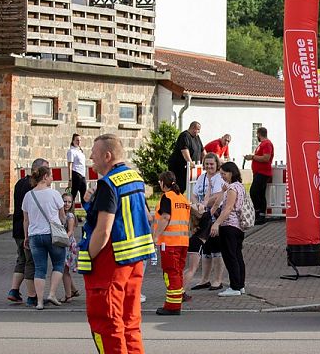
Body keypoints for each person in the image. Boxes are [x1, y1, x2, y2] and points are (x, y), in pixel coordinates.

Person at [78, 134, 155, 354]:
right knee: (130, 323)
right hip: (134, 261)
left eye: (94, 153)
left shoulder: (108, 183)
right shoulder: (135, 177)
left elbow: (103, 230)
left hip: (109, 264)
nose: (91, 158)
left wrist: (89, 255)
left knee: (107, 325)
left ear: (107, 155)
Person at [22, 164, 67, 310]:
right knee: (58, 263)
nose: (52, 179)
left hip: (35, 235)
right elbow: (62, 216)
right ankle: (52, 294)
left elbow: (26, 220)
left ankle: (39, 302)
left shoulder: (29, 195)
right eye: (51, 176)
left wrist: (26, 237)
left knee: (39, 268)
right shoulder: (54, 194)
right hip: (52, 234)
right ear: (45, 177)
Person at [8, 157, 46, 306]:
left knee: (21, 259)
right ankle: (32, 296)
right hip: (28, 229)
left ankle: (14, 290)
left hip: (17, 227)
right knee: (31, 262)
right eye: (45, 169)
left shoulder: (19, 183)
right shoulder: (34, 187)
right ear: (37, 170)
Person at [185, 153, 225, 293]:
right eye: (206, 164)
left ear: (216, 164)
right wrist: (198, 205)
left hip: (214, 217)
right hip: (202, 217)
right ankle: (204, 279)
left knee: (216, 250)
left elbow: (219, 196)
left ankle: (218, 280)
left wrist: (205, 203)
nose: (209, 166)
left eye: (211, 164)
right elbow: (194, 194)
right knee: (206, 250)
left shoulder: (220, 178)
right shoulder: (201, 177)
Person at [153, 171, 190, 315]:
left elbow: (165, 217)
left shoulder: (166, 197)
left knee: (171, 273)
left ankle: (173, 307)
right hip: (183, 242)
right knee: (178, 272)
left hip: (169, 243)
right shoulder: (182, 198)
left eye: (159, 181)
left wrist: (156, 236)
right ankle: (176, 301)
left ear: (163, 182)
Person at [210, 161, 246, 297]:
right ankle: (240, 285)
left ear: (231, 173)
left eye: (224, 174)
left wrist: (216, 223)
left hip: (229, 225)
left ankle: (235, 286)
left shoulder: (232, 189)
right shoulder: (240, 187)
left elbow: (228, 208)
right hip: (238, 227)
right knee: (237, 256)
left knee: (230, 256)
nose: (223, 177)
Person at [244, 126, 274, 225]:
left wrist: (252, 157)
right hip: (259, 172)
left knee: (254, 192)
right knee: (260, 194)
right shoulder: (263, 144)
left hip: (263, 173)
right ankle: (260, 215)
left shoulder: (266, 144)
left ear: (258, 134)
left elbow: (266, 158)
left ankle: (258, 212)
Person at [168, 121, 203, 194]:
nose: (198, 132)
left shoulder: (197, 137)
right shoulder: (185, 136)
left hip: (191, 168)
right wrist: (190, 162)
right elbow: (184, 150)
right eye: (197, 129)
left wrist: (207, 159)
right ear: (193, 128)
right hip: (179, 167)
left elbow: (202, 150)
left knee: (191, 187)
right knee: (180, 186)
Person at [61, 191, 81, 302]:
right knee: (65, 269)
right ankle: (74, 290)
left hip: (68, 245)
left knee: (64, 270)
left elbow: (70, 231)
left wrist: (61, 238)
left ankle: (68, 296)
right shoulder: (61, 214)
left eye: (69, 202)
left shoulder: (70, 215)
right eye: (65, 201)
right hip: (65, 243)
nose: (67, 204)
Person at [67, 133, 87, 203]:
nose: (79, 142)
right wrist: (70, 179)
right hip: (76, 174)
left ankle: (88, 212)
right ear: (73, 141)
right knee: (73, 195)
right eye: (77, 140)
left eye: (80, 140)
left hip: (82, 175)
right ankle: (69, 211)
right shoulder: (71, 151)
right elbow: (69, 165)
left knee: (84, 196)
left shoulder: (80, 151)